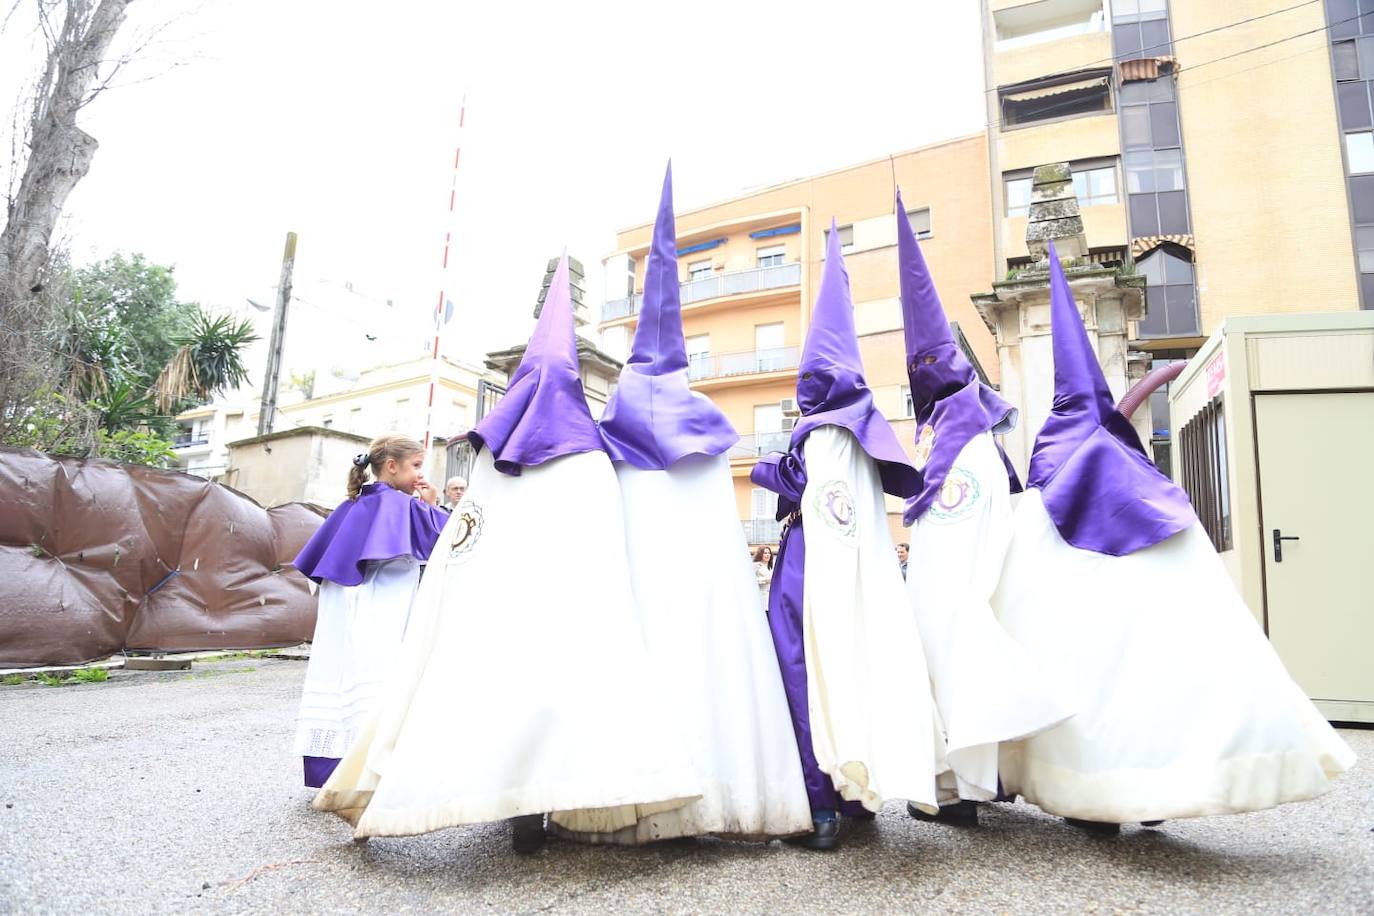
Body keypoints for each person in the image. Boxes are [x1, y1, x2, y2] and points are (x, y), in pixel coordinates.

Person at [311, 256, 701, 854]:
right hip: (570, 605)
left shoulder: (497, 458)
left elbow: (467, 543)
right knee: (565, 697)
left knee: (503, 694)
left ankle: (514, 802)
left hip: (506, 604)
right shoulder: (590, 459)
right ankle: (552, 800)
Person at [991, 243, 1354, 833]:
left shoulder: (1059, 449)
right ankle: (1150, 789)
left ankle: (1106, 800)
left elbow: (1037, 533)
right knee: (1152, 683)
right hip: (1140, 593)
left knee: (1105, 693)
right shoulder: (1131, 461)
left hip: (1089, 606)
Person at [554, 163, 810, 845]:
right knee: (713, 663)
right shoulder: (702, 427)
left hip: (639, 581)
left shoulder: (621, 424)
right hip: (699, 586)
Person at [752, 220, 945, 851]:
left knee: (804, 667)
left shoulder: (822, 429)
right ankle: (856, 799)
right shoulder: (864, 429)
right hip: (862, 563)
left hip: (812, 565)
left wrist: (760, 467)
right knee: (854, 667)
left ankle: (822, 809)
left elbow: (804, 487)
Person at [893, 192, 1075, 827]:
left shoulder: (960, 444)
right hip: (969, 578)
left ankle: (963, 793)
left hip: (953, 586)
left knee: (954, 655)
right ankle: (965, 784)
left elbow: (949, 529)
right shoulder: (978, 436)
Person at [290, 434, 449, 790]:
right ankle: (372, 769)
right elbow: (449, 541)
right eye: (417, 466)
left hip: (344, 607)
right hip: (380, 607)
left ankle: (332, 770)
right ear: (391, 467)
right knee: (379, 678)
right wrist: (433, 505)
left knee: (339, 678)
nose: (421, 474)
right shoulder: (399, 506)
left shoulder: (356, 503)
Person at [753, 546, 775, 611]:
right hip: (761, 599)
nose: (767, 555)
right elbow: (750, 581)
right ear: (760, 554)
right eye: (765, 553)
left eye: (769, 553)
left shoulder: (771, 567)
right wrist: (765, 580)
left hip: (771, 599)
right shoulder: (755, 565)